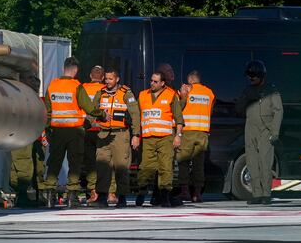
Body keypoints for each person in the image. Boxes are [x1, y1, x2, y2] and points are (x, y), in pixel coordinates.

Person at [40, 59, 99, 208]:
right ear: (76, 70)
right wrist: (103, 115)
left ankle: (49, 194)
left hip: (57, 130)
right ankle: (72, 195)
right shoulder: (76, 86)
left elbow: (47, 111)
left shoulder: (52, 85)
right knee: (75, 163)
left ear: (64, 68)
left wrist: (46, 129)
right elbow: (89, 107)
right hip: (74, 131)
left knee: (54, 162)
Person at [133, 72, 180, 207]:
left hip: (165, 138)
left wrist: (178, 135)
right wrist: (136, 135)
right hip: (148, 138)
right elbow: (137, 117)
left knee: (165, 167)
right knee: (145, 168)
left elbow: (179, 118)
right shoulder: (142, 95)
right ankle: (141, 191)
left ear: (162, 83)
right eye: (151, 81)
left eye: (155, 81)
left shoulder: (171, 95)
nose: (152, 83)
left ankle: (164, 195)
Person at [240, 60, 283, 205]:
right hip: (250, 128)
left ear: (261, 75)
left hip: (266, 130)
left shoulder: (272, 90)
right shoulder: (247, 90)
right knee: (252, 162)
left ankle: (266, 194)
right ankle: (256, 194)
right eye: (249, 76)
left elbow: (278, 111)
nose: (251, 79)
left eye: (254, 76)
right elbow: (238, 108)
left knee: (265, 162)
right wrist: (244, 100)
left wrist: (275, 132)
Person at [91, 69, 135, 208]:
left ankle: (121, 196)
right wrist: (85, 125)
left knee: (121, 166)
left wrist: (136, 135)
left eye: (110, 79)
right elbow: (92, 111)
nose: (107, 81)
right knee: (102, 165)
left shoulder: (126, 94)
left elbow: (136, 115)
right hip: (103, 134)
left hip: (121, 134)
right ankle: (102, 196)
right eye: (106, 79)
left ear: (117, 79)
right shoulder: (101, 93)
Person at [176, 70, 215, 203]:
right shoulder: (209, 93)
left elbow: (179, 108)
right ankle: (197, 194)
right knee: (199, 164)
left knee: (184, 162)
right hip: (203, 133)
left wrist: (184, 95)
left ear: (190, 80)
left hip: (188, 131)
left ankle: (185, 191)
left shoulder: (187, 89)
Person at [77, 67, 105, 204]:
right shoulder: (106, 89)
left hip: (86, 129)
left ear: (90, 75)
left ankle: (93, 190)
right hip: (102, 130)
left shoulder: (82, 88)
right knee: (105, 161)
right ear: (103, 77)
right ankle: (109, 192)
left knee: (90, 163)